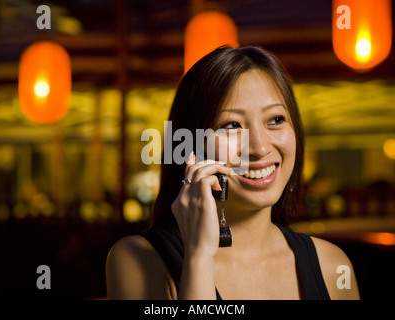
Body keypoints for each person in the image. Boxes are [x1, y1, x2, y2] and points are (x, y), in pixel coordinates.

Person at [106, 46, 360, 300]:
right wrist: (199, 257)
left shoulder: (333, 268)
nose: (260, 148)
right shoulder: (137, 260)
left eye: (275, 119)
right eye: (232, 125)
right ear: (190, 145)